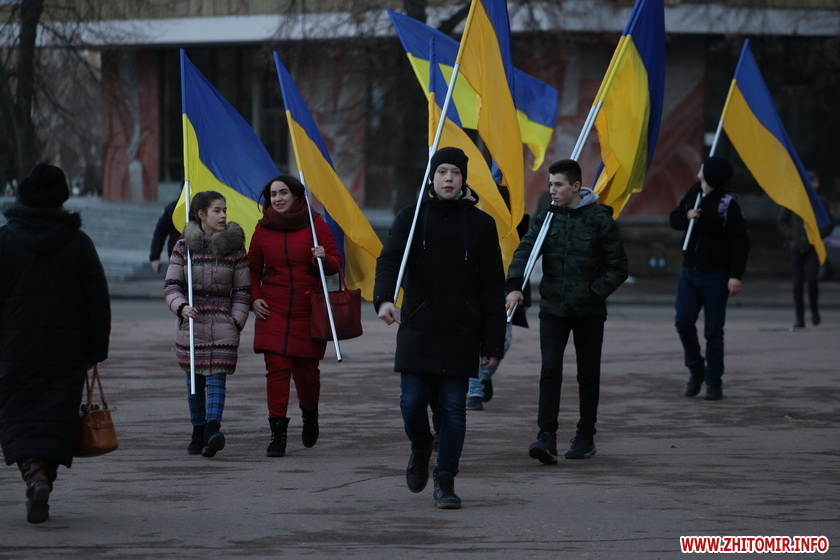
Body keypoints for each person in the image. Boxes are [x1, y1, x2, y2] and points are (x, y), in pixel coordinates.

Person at [374, 146, 506, 509]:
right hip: (418, 325)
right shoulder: (410, 217)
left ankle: (445, 478)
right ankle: (421, 446)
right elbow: (389, 261)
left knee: (453, 409)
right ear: (432, 177)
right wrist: (384, 299)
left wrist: (493, 341)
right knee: (412, 402)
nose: (449, 178)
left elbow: (492, 285)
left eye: (456, 173)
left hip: (462, 330)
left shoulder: (481, 224)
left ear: (464, 179)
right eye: (443, 171)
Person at [0, 163, 111, 524]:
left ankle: (34, 476)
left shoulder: (5, 240)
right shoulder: (79, 244)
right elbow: (97, 301)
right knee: (56, 417)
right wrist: (96, 350)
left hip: (13, 348)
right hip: (67, 350)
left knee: (18, 415)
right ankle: (44, 479)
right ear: (61, 200)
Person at [506, 159, 627, 464]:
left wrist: (593, 292)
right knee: (550, 370)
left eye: (558, 185)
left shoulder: (599, 219)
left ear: (576, 186)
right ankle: (546, 436)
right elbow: (525, 251)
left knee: (587, 374)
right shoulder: (547, 217)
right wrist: (515, 285)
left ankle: (585, 435)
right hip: (553, 309)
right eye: (550, 184)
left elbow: (618, 267)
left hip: (589, 311)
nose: (552, 190)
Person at [248, 175, 342, 458]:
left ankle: (310, 415)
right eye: (273, 194)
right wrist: (255, 298)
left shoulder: (315, 223)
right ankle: (277, 434)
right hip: (273, 309)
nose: (277, 199)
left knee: (307, 374)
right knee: (276, 371)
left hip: (307, 311)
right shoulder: (262, 228)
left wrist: (323, 258)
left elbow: (336, 263)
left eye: (283, 193)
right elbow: (252, 269)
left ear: (297, 196)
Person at [164, 190, 250, 458]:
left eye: (225, 210)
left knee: (217, 378)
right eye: (217, 210)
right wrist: (181, 307)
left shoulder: (235, 249)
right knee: (194, 380)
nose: (223, 215)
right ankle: (198, 430)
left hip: (223, 323)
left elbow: (242, 291)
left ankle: (213, 430)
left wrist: (236, 321)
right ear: (201, 214)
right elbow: (172, 285)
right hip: (192, 322)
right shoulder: (183, 248)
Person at [669, 155, 750, 401]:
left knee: (713, 331)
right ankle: (696, 370)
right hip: (689, 272)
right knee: (683, 322)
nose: (699, 170)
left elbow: (741, 243)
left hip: (716, 275)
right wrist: (687, 216)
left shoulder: (728, 204)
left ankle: (714, 381)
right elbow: (674, 219)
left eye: (704, 167)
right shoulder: (694, 193)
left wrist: (735, 275)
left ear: (711, 174)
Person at [466, 214, 532, 411]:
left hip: (506, 287)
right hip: (475, 284)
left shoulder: (518, 217)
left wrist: (524, 293)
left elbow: (522, 257)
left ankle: (484, 376)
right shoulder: (473, 215)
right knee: (474, 339)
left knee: (504, 341)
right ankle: (475, 391)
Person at [776, 171, 834, 328]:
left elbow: (829, 223)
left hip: (812, 248)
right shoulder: (794, 200)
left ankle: (814, 311)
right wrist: (791, 236)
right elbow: (781, 221)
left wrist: (818, 236)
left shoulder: (820, 202)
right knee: (797, 283)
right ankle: (799, 317)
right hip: (796, 248)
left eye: (813, 182)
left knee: (812, 280)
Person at [149, 198, 181, 273]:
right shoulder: (173, 207)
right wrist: (155, 257)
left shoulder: (202, 207)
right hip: (177, 258)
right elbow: (160, 232)